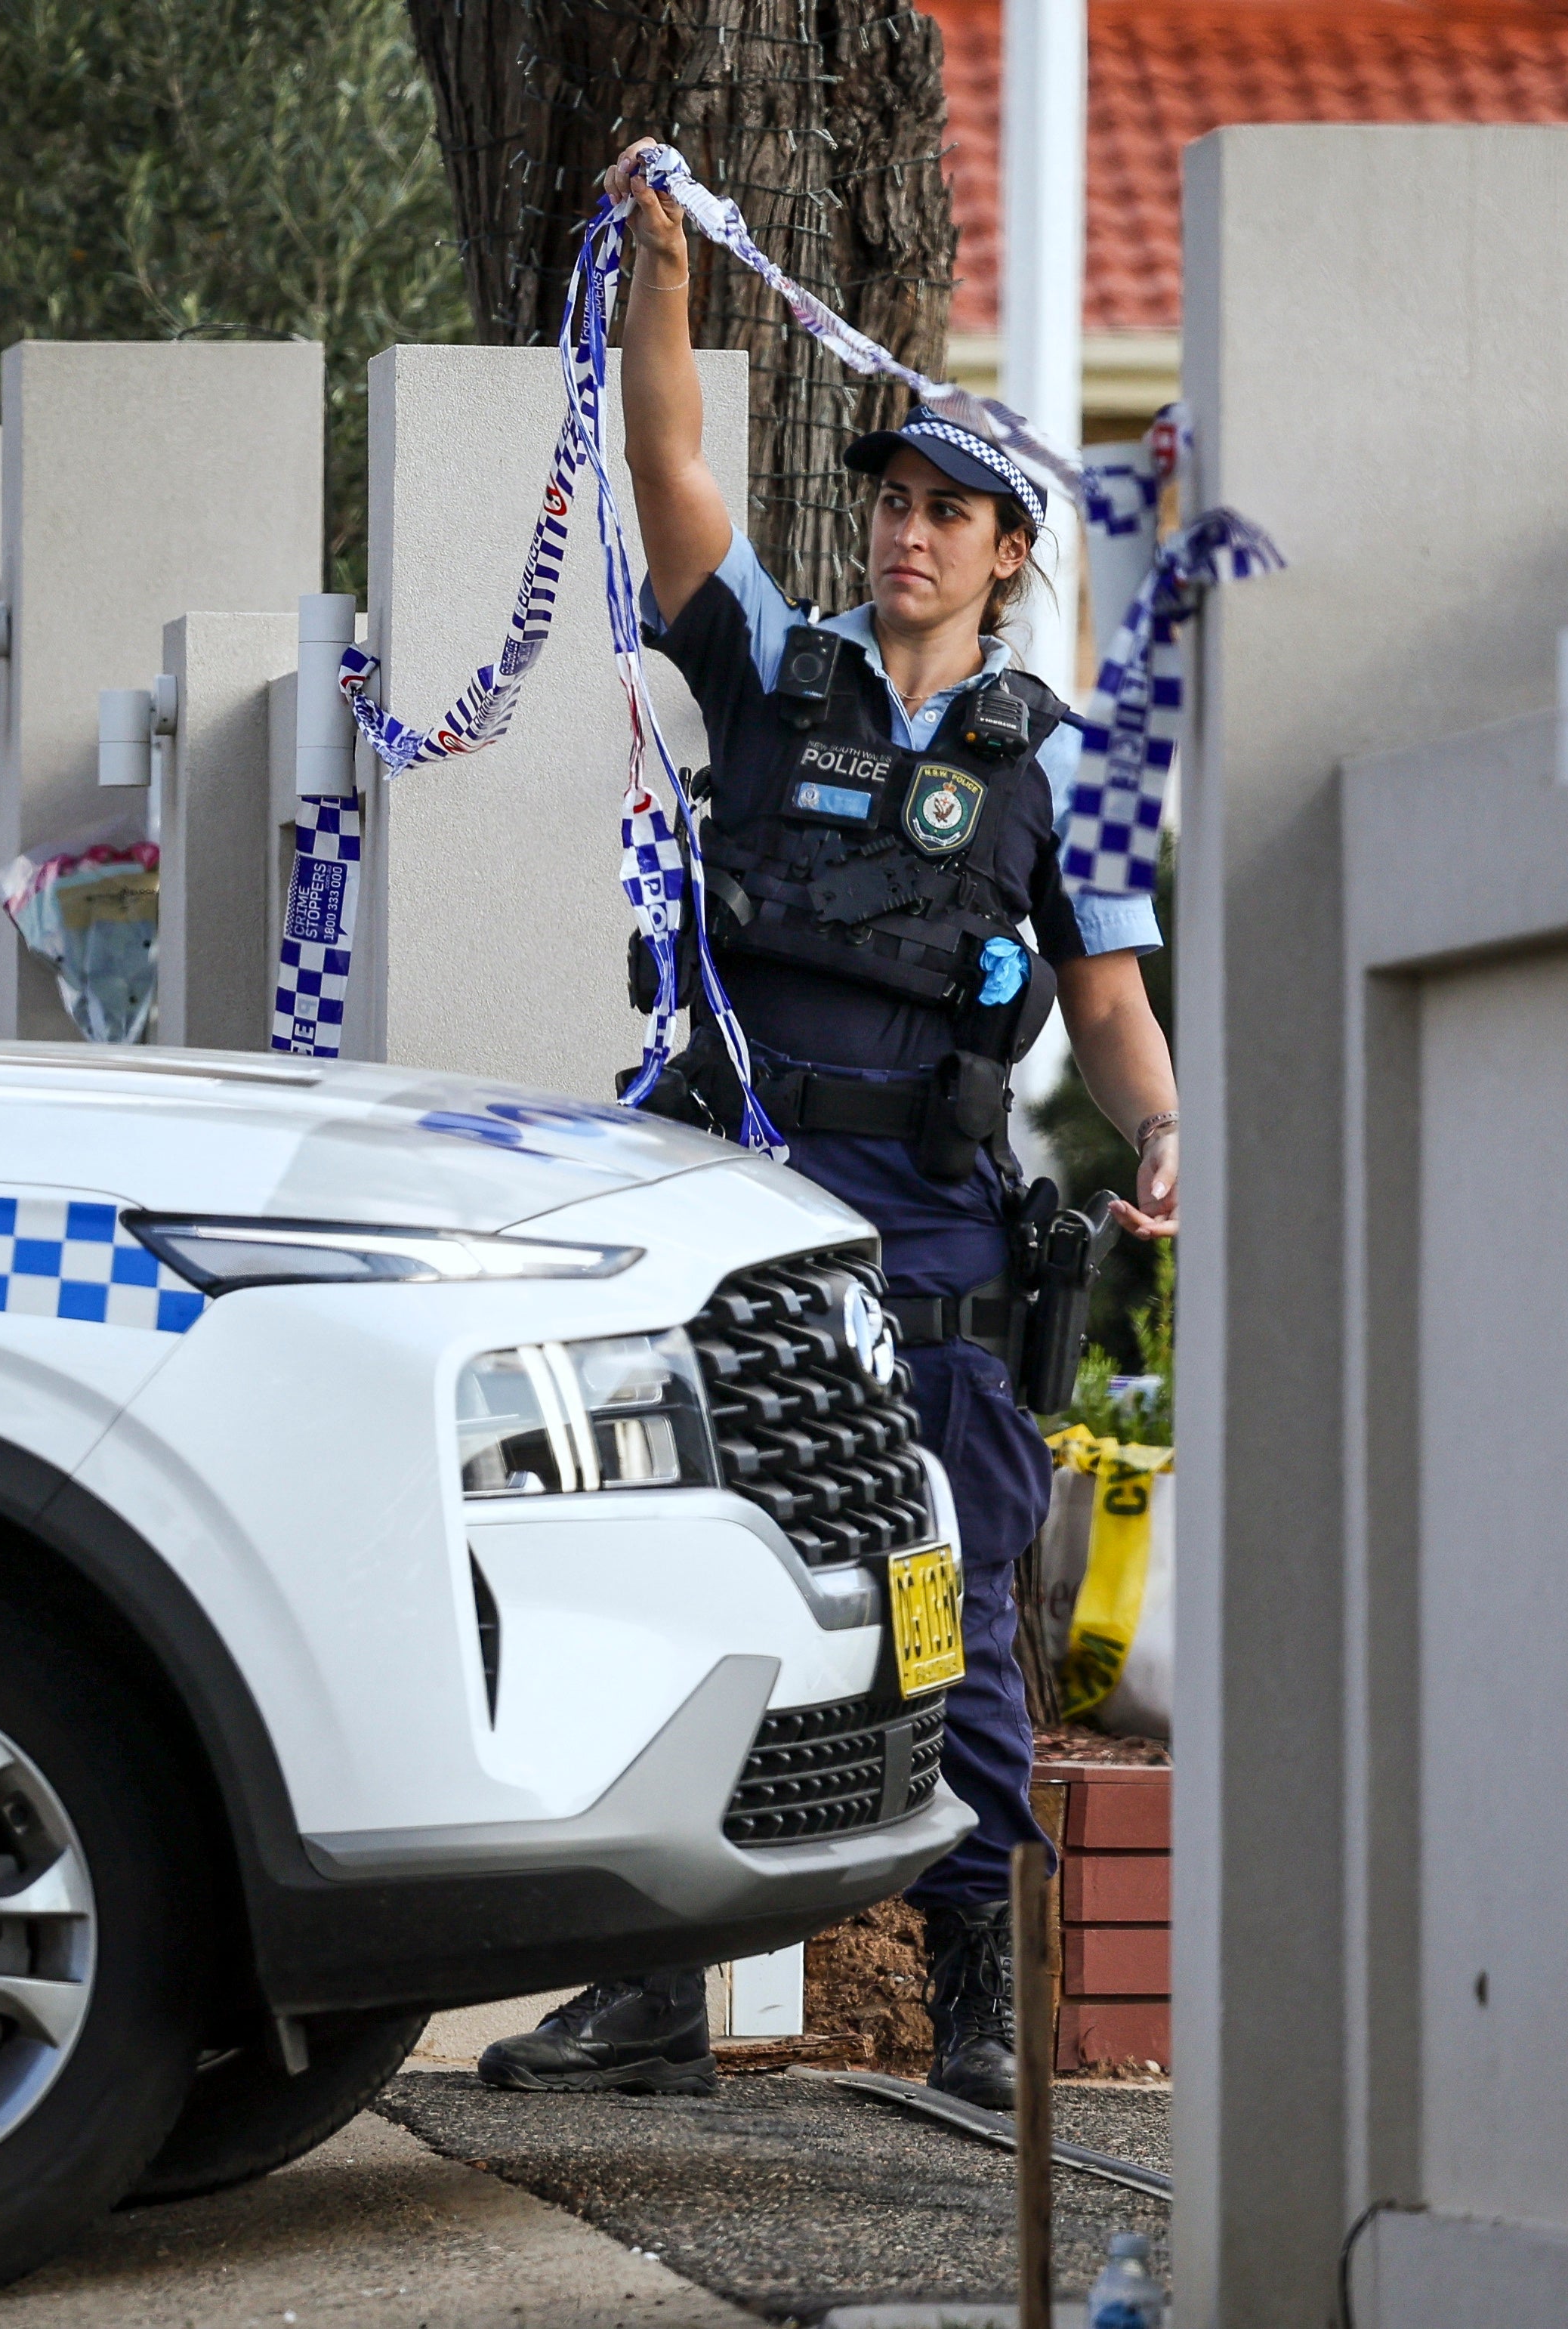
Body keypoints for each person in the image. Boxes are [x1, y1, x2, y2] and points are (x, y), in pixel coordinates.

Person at [479, 141, 1184, 2111]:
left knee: (942, 1620)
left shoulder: (1064, 774)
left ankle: (968, 1994)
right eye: (890, 499)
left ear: (1007, 553)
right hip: (721, 1212)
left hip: (934, 1255)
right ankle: (648, 1999)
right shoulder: (773, 677)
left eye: (948, 512)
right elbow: (670, 472)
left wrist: (1159, 1135)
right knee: (667, 1580)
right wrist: (659, 281)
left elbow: (1116, 1007)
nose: (907, 533)